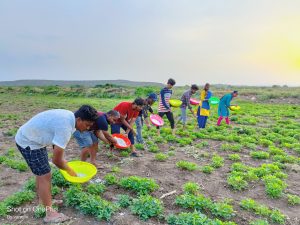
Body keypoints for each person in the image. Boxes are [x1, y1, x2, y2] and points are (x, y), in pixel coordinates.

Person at [15, 105, 98, 223]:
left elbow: (56, 146)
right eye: (87, 125)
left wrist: (62, 161)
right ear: (79, 119)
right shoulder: (65, 127)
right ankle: (50, 214)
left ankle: (43, 203)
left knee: (42, 173)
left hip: (35, 139)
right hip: (28, 142)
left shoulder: (70, 117)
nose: (87, 128)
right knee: (45, 175)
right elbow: (56, 160)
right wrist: (71, 171)